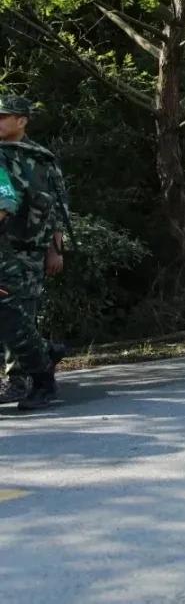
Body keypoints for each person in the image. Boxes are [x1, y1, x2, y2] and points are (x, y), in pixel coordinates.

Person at [0, 95, 66, 410]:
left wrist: (56, 249)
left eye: (3, 116)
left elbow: (58, 207)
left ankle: (24, 378)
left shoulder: (41, 157)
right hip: (5, 245)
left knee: (18, 312)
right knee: (12, 314)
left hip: (27, 246)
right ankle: (37, 364)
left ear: (22, 120)